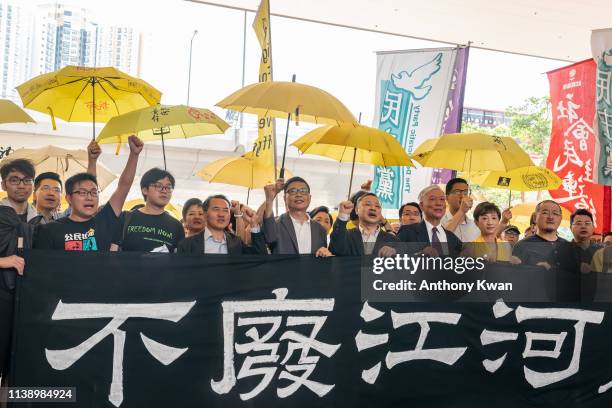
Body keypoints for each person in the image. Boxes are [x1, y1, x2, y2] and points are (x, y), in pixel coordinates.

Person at [34, 135, 144, 251]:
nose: (89, 197)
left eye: (94, 193)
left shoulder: (104, 222)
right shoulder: (50, 230)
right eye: (82, 193)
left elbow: (123, 186)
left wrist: (134, 154)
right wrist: (92, 161)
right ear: (69, 198)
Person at [111, 168, 184, 253]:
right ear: (144, 190)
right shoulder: (126, 218)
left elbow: (179, 260)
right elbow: (113, 251)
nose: (164, 191)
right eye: (158, 186)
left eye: (168, 187)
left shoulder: (176, 226)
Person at [261, 177, 331, 257]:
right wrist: (269, 200)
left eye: (303, 191)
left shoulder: (320, 230)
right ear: (285, 198)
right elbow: (269, 238)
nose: (299, 194)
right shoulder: (277, 224)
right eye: (293, 191)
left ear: (310, 198)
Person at [178, 195, 267, 255]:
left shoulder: (236, 242)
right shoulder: (187, 245)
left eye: (225, 210)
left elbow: (260, 257)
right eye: (216, 209)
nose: (221, 214)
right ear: (205, 214)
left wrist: (254, 225)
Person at [397, 185, 462, 257]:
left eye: (442, 199)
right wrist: (420, 254)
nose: (439, 203)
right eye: (432, 199)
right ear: (421, 205)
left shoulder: (453, 239)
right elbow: (395, 260)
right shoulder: (408, 232)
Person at [329, 193, 398, 256]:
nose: (373, 208)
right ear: (356, 210)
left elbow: (402, 264)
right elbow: (335, 248)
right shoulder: (346, 236)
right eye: (368, 204)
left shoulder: (392, 240)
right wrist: (342, 216)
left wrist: (394, 256)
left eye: (377, 206)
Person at [512, 200, 570, 269]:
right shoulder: (522, 245)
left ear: (560, 219)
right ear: (534, 217)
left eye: (555, 213)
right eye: (545, 213)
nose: (550, 217)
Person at [441, 178, 480, 242]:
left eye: (465, 192)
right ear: (447, 198)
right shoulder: (439, 221)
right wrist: (461, 211)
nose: (462, 196)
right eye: (457, 192)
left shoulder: (475, 226)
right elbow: (442, 240)